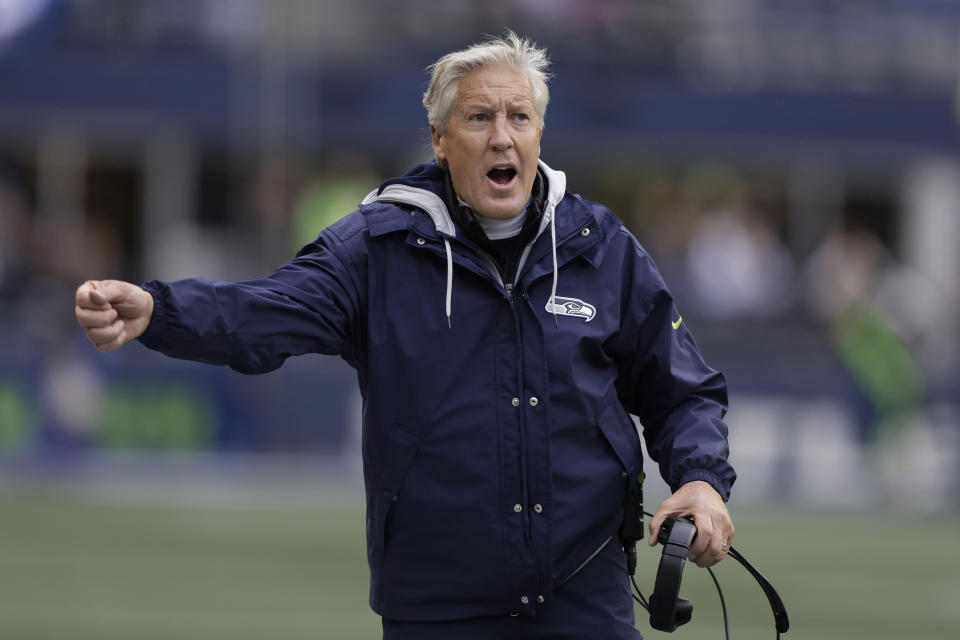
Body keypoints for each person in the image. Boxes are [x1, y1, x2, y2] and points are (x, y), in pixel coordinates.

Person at [75, 32, 735, 640]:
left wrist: (701, 481)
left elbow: (684, 392)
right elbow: (266, 314)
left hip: (585, 598)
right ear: (440, 140)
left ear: (539, 133)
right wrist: (159, 311)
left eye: (519, 118)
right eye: (479, 118)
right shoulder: (376, 249)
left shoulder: (601, 246)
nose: (502, 138)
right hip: (437, 607)